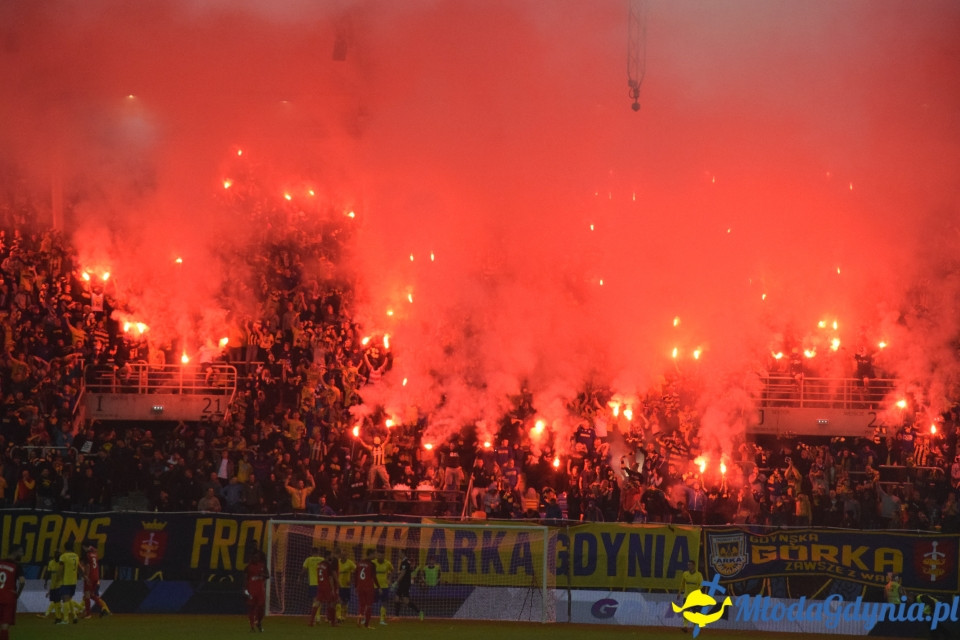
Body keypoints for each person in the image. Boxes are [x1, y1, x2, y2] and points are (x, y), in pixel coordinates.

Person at [80, 541, 111, 618]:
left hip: (90, 576)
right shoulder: (95, 553)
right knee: (92, 595)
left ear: (84, 547)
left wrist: (86, 576)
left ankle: (88, 614)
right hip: (96, 576)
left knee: (87, 594)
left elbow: (88, 566)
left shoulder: (87, 555)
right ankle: (104, 608)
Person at [0, 546, 25, 640]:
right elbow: (22, 582)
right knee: (5, 624)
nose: (22, 554)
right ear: (15, 552)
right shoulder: (16, 565)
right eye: (20, 552)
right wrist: (18, 594)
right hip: (8, 597)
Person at [393, 550, 423, 620]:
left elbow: (402, 573)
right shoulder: (405, 562)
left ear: (403, 553)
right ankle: (396, 616)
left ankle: (419, 612)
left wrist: (396, 582)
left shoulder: (405, 562)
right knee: (397, 598)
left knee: (406, 601)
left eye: (399, 553)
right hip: (402, 583)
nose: (398, 555)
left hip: (405, 584)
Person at [243, 549, 268, 632]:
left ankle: (259, 622)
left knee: (261, 607)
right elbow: (245, 579)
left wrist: (263, 574)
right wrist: (245, 590)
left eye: (257, 557)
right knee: (251, 607)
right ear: (252, 557)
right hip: (251, 590)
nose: (256, 558)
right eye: (254, 557)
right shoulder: (248, 567)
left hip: (260, 590)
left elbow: (267, 575)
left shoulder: (262, 566)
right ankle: (252, 626)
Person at [355, 549, 379, 628]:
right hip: (368, 587)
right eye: (374, 554)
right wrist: (379, 587)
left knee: (361, 605)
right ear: (370, 554)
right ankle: (367, 624)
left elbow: (355, 575)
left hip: (360, 587)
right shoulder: (372, 564)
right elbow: (374, 577)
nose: (375, 556)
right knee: (369, 605)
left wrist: (356, 586)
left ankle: (359, 621)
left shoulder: (359, 563)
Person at [59, 543, 82, 624]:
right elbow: (80, 568)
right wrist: (84, 576)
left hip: (66, 581)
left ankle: (66, 620)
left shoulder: (63, 556)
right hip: (74, 581)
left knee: (65, 599)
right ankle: (74, 616)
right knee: (69, 599)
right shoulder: (76, 556)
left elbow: (61, 569)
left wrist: (59, 578)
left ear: (65, 548)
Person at [312, 556, 339, 626]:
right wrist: (332, 589)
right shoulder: (328, 565)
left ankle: (311, 621)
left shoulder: (319, 565)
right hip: (327, 586)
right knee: (332, 602)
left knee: (318, 602)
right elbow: (330, 578)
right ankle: (333, 622)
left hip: (320, 585)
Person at [678, 560, 703, 633]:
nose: (689, 566)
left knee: (696, 613)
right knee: (686, 612)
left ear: (694, 565)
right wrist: (679, 592)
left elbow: (701, 584)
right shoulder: (685, 574)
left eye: (690, 565)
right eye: (688, 565)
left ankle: (696, 628)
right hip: (687, 596)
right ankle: (685, 626)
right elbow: (682, 584)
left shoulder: (698, 575)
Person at [301, 547, 325, 626]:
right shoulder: (322, 559)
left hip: (312, 583)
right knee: (320, 600)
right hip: (321, 583)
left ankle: (315, 618)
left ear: (311, 552)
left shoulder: (308, 559)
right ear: (318, 552)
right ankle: (318, 617)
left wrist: (300, 577)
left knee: (315, 600)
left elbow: (304, 570)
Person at [38, 551, 63, 622]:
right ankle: (58, 616)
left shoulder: (62, 563)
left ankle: (58, 617)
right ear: (54, 556)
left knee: (57, 600)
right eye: (57, 555)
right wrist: (46, 582)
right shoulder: (51, 563)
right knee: (55, 601)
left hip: (60, 584)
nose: (58, 557)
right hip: (53, 584)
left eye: (59, 555)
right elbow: (48, 573)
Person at [372, 548, 394, 625]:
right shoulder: (373, 562)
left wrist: (389, 579)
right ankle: (366, 618)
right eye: (378, 555)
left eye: (381, 555)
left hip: (384, 586)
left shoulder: (387, 563)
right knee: (370, 602)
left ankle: (382, 620)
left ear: (384, 556)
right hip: (374, 586)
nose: (379, 557)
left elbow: (392, 570)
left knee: (384, 602)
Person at [336, 547, 356, 624]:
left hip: (346, 586)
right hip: (339, 585)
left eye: (345, 555)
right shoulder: (337, 562)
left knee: (345, 602)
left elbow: (356, 570)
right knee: (338, 600)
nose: (343, 556)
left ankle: (343, 616)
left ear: (347, 555)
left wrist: (351, 580)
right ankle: (338, 617)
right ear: (340, 555)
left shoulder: (350, 563)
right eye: (342, 555)